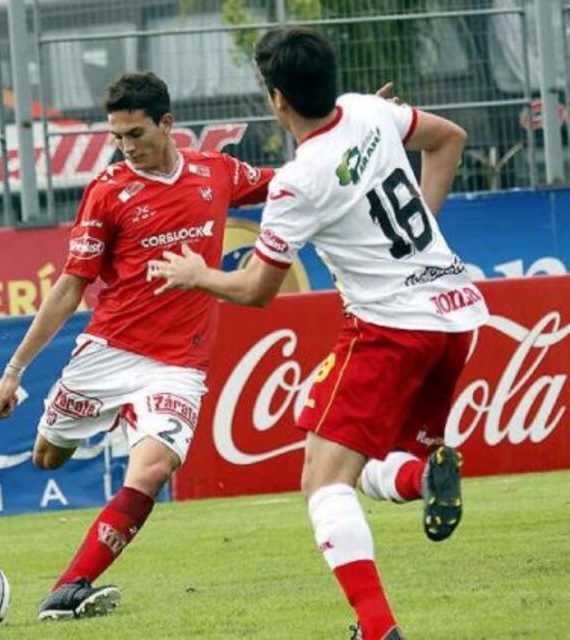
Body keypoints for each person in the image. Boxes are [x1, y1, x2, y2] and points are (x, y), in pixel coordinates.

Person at [147, 27, 487, 640]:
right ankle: (421, 475)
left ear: (276, 99)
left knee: (322, 483)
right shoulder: (367, 110)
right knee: (372, 466)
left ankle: (378, 630)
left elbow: (256, 290)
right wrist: (421, 243)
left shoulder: (297, 182)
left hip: (390, 328)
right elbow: (449, 140)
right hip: (456, 315)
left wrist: (197, 274)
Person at [0, 71, 274, 621]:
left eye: (136, 135)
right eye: (116, 137)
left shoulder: (216, 173)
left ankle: (67, 590)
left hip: (177, 365)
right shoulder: (108, 191)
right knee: (47, 457)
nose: (126, 148)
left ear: (168, 125)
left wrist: (356, 135)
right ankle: (112, 419)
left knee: (151, 470)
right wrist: (14, 370)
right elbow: (71, 286)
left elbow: (294, 180)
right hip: (108, 351)